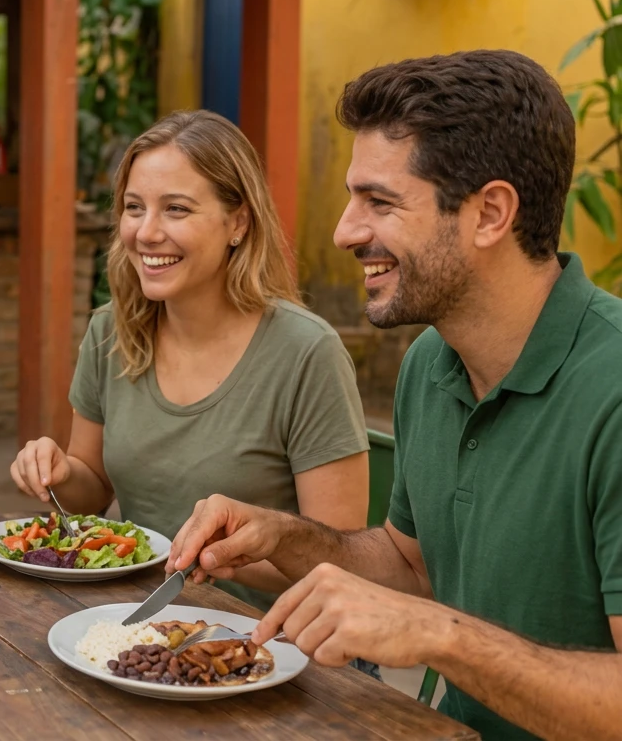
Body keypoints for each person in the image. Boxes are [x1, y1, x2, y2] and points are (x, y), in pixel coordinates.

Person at [166, 50, 622, 740]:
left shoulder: (611, 389)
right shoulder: (431, 362)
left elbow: (428, 614)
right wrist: (285, 537)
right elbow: (412, 567)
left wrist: (440, 634)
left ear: (490, 213)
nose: (344, 231)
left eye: (379, 202)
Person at [10, 110, 370, 612]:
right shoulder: (109, 331)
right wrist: (59, 474)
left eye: (176, 209)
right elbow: (91, 490)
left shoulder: (307, 352)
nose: (146, 232)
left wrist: (214, 555)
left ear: (238, 222)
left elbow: (342, 562)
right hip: (129, 620)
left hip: (269, 637)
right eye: (134, 208)